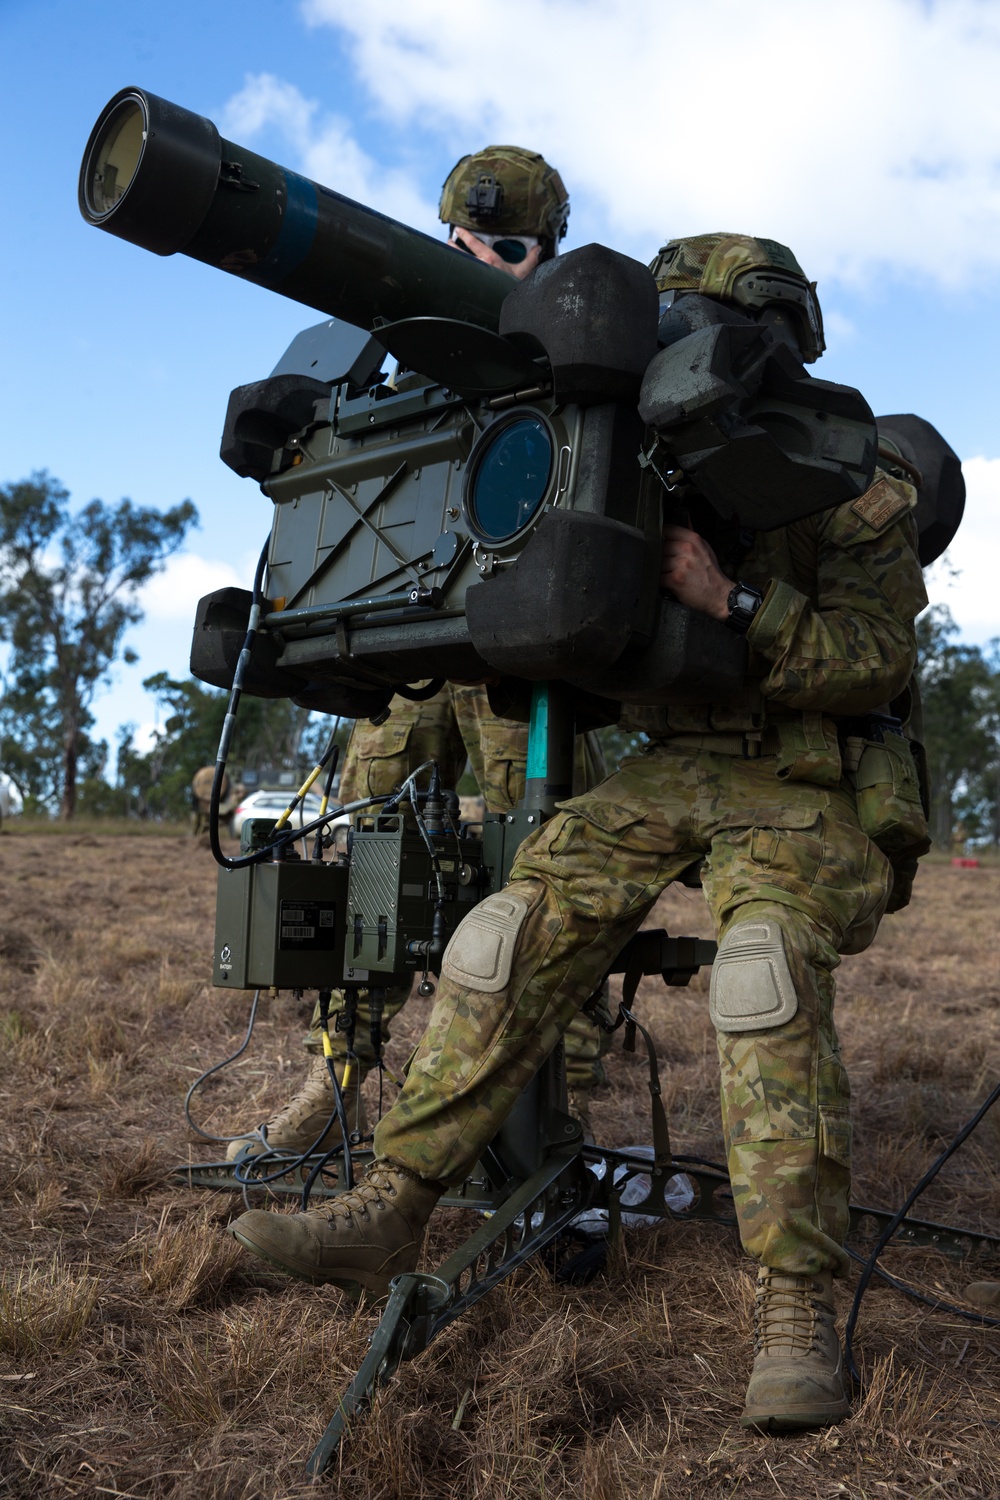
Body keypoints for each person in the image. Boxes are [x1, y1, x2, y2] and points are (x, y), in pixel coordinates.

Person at [228, 232, 929, 1433]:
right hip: (667, 771)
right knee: (505, 930)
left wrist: (735, 599)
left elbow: (875, 662)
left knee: (758, 973)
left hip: (807, 781)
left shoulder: (857, 482)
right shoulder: (625, 458)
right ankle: (396, 1199)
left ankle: (793, 1301)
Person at [225, 145, 611, 1164]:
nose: (484, 263)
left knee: (542, 881)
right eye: (466, 245)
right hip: (399, 660)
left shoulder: (578, 341)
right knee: (365, 873)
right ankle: (337, 1091)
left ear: (548, 254)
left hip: (520, 666)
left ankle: (548, 1121)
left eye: (511, 249)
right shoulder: (368, 347)